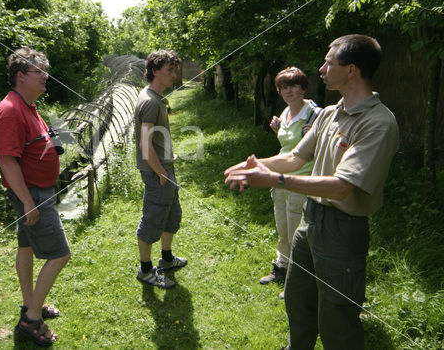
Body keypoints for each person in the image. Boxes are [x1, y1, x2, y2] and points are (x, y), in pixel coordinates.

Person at [224, 35, 399, 349]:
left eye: (329, 62)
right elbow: (294, 158)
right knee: (298, 300)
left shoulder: (378, 122)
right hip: (310, 218)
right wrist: (255, 166)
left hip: (342, 231)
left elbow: (342, 186)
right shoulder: (330, 113)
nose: (321, 68)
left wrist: (276, 180)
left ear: (352, 70)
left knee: (337, 317)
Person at [0, 46, 70, 346]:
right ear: (21, 75)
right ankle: (32, 319)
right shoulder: (10, 110)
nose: (46, 76)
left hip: (37, 191)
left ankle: (30, 302)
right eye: (39, 71)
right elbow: (7, 161)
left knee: (25, 248)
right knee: (60, 254)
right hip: (32, 195)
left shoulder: (28, 105)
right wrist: (27, 201)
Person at [259, 67, 322, 298]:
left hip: (302, 178)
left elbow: (324, 148)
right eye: (283, 87)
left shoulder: (315, 114)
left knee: (298, 232)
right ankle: (281, 267)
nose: (288, 90)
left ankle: (298, 280)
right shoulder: (284, 113)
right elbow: (287, 147)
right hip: (281, 178)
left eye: (293, 85)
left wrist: (315, 136)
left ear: (303, 88)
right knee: (283, 227)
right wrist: (276, 129)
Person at [134, 49, 187, 289]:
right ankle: (146, 270)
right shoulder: (149, 101)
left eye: (174, 70)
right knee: (152, 219)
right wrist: (160, 172)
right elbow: (145, 144)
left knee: (172, 215)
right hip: (158, 172)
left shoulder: (154, 97)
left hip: (165, 168)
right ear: (155, 71)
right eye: (169, 71)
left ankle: (166, 259)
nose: (174, 75)